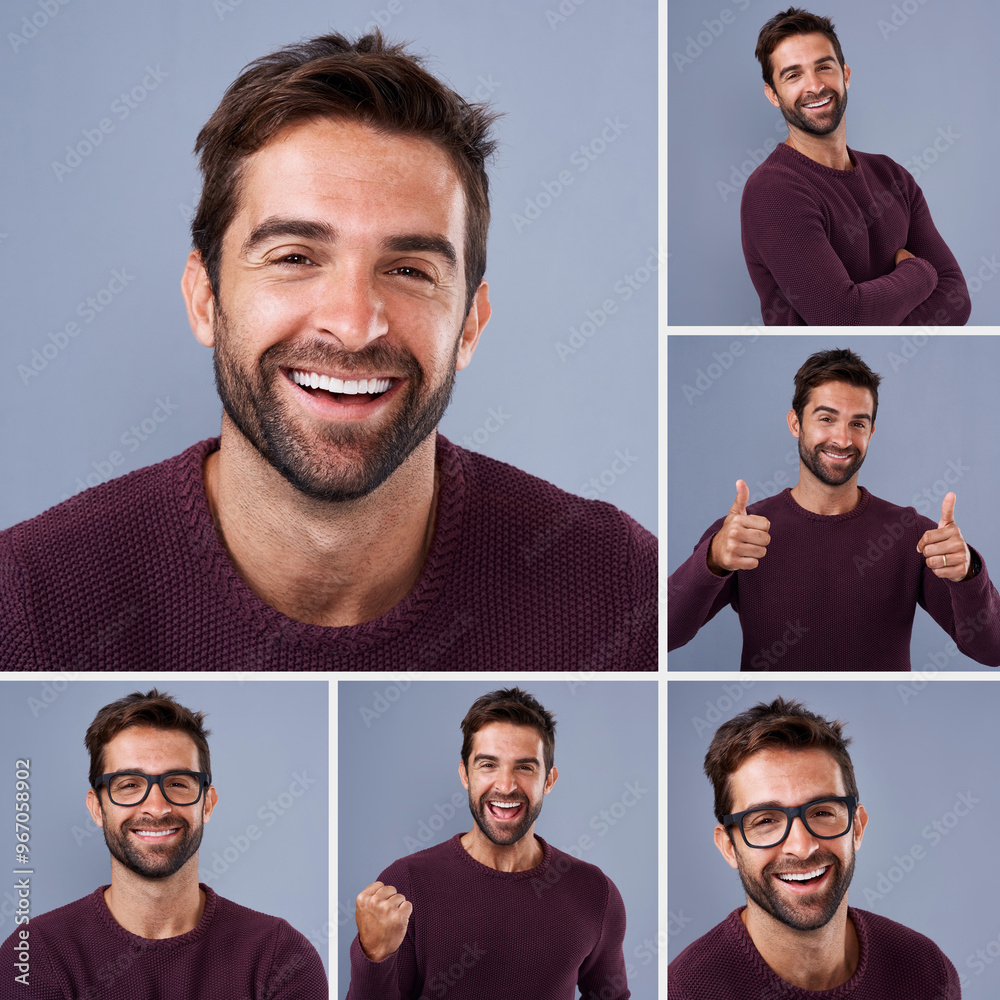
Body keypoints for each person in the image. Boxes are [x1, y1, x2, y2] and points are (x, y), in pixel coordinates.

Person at [0, 32, 656, 672]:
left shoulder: (619, 589)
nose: (352, 325)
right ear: (205, 299)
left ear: (470, 327)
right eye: (294, 257)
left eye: (409, 270)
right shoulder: (28, 601)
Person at [668, 347, 1000, 669]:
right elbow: (662, 634)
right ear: (796, 424)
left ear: (871, 431)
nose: (842, 440)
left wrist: (968, 572)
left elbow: (992, 650)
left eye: (858, 424)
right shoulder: (742, 533)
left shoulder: (913, 534)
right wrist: (712, 559)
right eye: (826, 418)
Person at [0, 689, 326, 999]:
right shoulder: (33, 956)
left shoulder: (281, 956)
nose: (156, 807)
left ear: (207, 804)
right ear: (97, 808)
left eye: (178, 783)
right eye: (129, 784)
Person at [347, 687, 630, 999]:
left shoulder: (594, 892)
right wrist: (373, 956)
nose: (506, 785)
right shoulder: (405, 885)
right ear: (465, 774)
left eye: (524, 767)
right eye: (488, 765)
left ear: (548, 780)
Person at [668, 697, 961, 998]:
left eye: (822, 813)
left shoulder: (927, 971)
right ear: (729, 846)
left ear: (857, 827)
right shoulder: (685, 990)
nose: (802, 847)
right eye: (766, 820)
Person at [741, 8, 970, 326]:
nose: (815, 86)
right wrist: (919, 272)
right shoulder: (773, 191)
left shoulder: (893, 176)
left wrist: (874, 310)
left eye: (824, 67)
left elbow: (956, 300)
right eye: (793, 75)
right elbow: (843, 317)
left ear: (845, 74)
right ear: (773, 94)